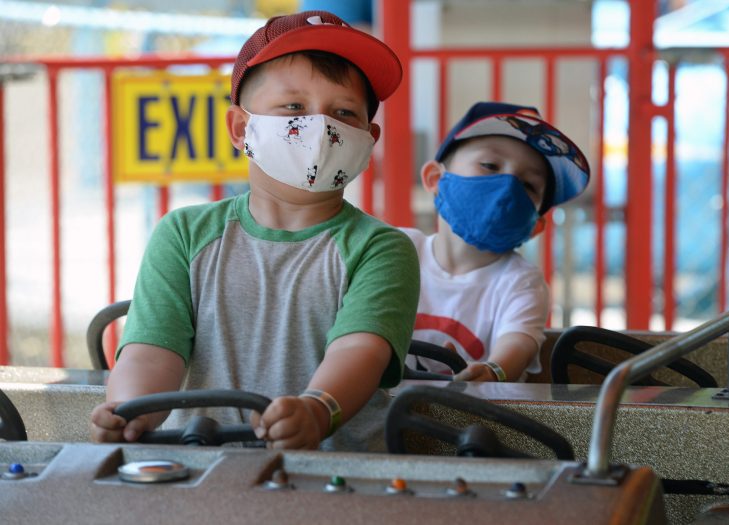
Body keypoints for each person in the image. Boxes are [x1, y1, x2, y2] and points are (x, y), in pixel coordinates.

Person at [90, 10, 419, 452]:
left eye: (343, 113)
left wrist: (318, 410)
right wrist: (130, 411)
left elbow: (359, 351)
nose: (321, 128)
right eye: (294, 107)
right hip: (200, 466)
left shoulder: (381, 249)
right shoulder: (184, 234)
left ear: (368, 139)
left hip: (338, 480)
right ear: (242, 128)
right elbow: (151, 351)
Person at [402, 102, 590, 383]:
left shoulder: (520, 282)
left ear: (535, 226)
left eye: (528, 185)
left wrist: (494, 371)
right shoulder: (398, 250)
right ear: (436, 179)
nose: (507, 187)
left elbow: (519, 342)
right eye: (490, 165)